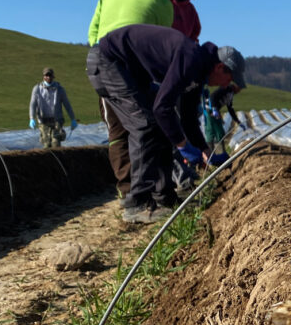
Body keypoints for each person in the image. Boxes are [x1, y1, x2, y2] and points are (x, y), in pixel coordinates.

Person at [86, 24, 245, 223]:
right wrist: (182, 145)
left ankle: (164, 197)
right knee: (145, 126)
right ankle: (137, 203)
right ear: (220, 67)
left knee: (160, 126)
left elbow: (187, 117)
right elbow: (162, 108)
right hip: (109, 62)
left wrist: (204, 148)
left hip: (130, 71)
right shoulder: (190, 58)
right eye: (228, 79)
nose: (225, 86)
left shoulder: (198, 73)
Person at [87, 0, 181, 201]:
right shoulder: (162, 3)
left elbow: (92, 34)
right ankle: (145, 198)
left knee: (117, 132)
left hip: (100, 61)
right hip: (128, 66)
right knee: (146, 124)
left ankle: (129, 190)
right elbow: (159, 46)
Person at [29, 67, 77, 148]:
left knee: (55, 143)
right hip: (43, 120)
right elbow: (32, 104)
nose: (48, 77)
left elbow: (67, 104)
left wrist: (73, 119)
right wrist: (31, 118)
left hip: (57, 120)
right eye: (46, 75)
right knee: (47, 144)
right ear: (43, 77)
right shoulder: (37, 89)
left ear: (53, 76)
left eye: (50, 75)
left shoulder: (59, 89)